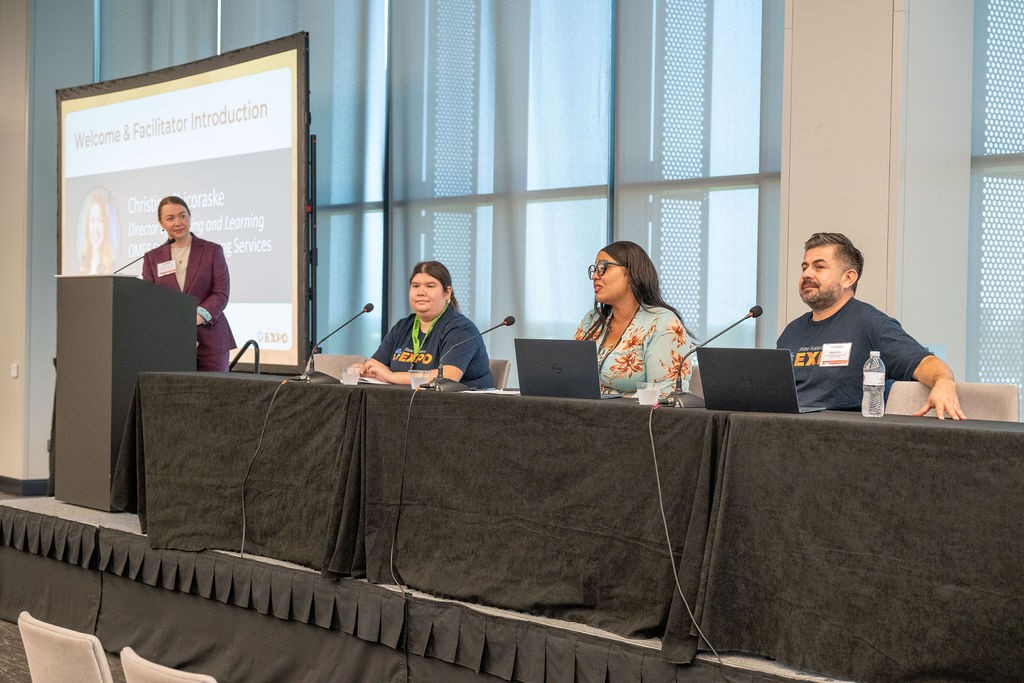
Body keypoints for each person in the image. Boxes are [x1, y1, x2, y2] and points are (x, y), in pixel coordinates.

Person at [777, 232, 964, 418]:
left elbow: (926, 362)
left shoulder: (871, 324)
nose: (806, 274)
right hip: (785, 432)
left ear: (848, 278)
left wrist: (943, 381)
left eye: (819, 267)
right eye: (804, 267)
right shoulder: (792, 331)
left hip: (843, 436)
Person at [575, 241, 690, 394]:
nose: (595, 275)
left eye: (603, 267)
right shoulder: (592, 319)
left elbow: (667, 392)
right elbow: (570, 375)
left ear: (631, 272)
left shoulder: (662, 323)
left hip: (633, 416)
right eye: (594, 269)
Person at [361, 261, 493, 388]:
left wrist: (391, 376)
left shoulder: (461, 329)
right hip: (408, 402)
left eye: (430, 286)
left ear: (447, 293)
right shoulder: (403, 327)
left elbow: (448, 377)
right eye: (415, 286)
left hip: (460, 405)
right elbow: (374, 365)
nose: (421, 292)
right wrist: (362, 369)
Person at [142, 196, 236, 372]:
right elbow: (150, 300)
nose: (178, 222)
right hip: (170, 343)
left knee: (215, 396)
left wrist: (191, 319)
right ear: (161, 223)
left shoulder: (212, 251)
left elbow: (221, 293)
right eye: (170, 218)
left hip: (211, 342)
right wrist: (176, 323)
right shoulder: (152, 258)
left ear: (190, 217)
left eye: (182, 215)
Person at [79, 192, 115, 274]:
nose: (96, 229)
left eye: (100, 220)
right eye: (92, 221)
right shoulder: (83, 265)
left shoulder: (112, 264)